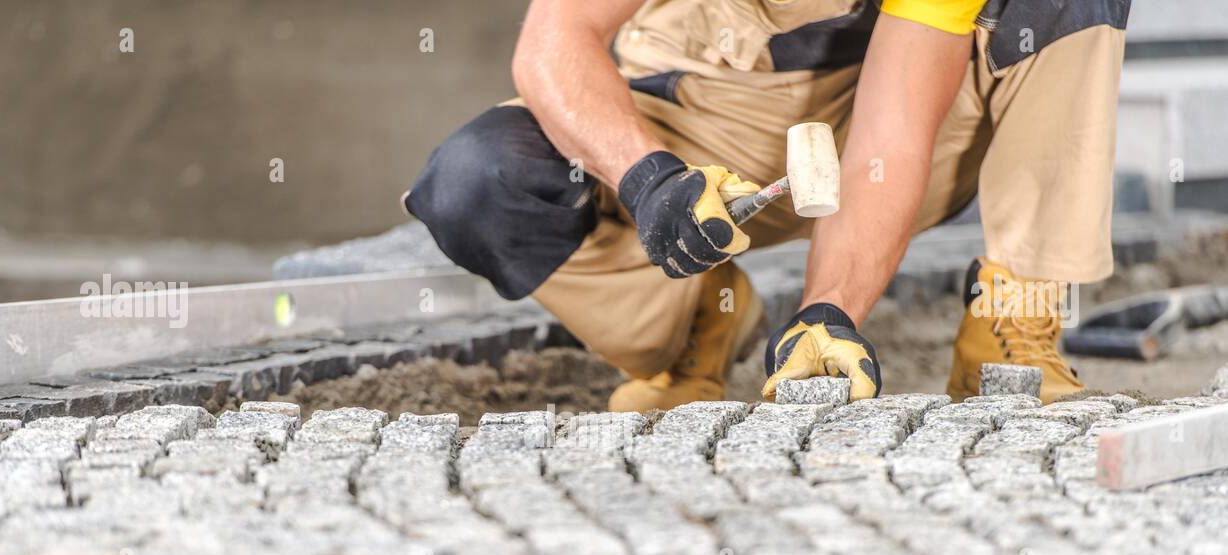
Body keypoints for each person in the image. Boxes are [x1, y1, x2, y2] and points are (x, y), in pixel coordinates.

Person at [407, 0, 1131, 410]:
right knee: (479, 180)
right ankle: (690, 325)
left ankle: (1010, 323)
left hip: (882, 131)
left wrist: (829, 314)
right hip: (695, 117)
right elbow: (552, 43)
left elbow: (894, 136)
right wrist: (649, 180)